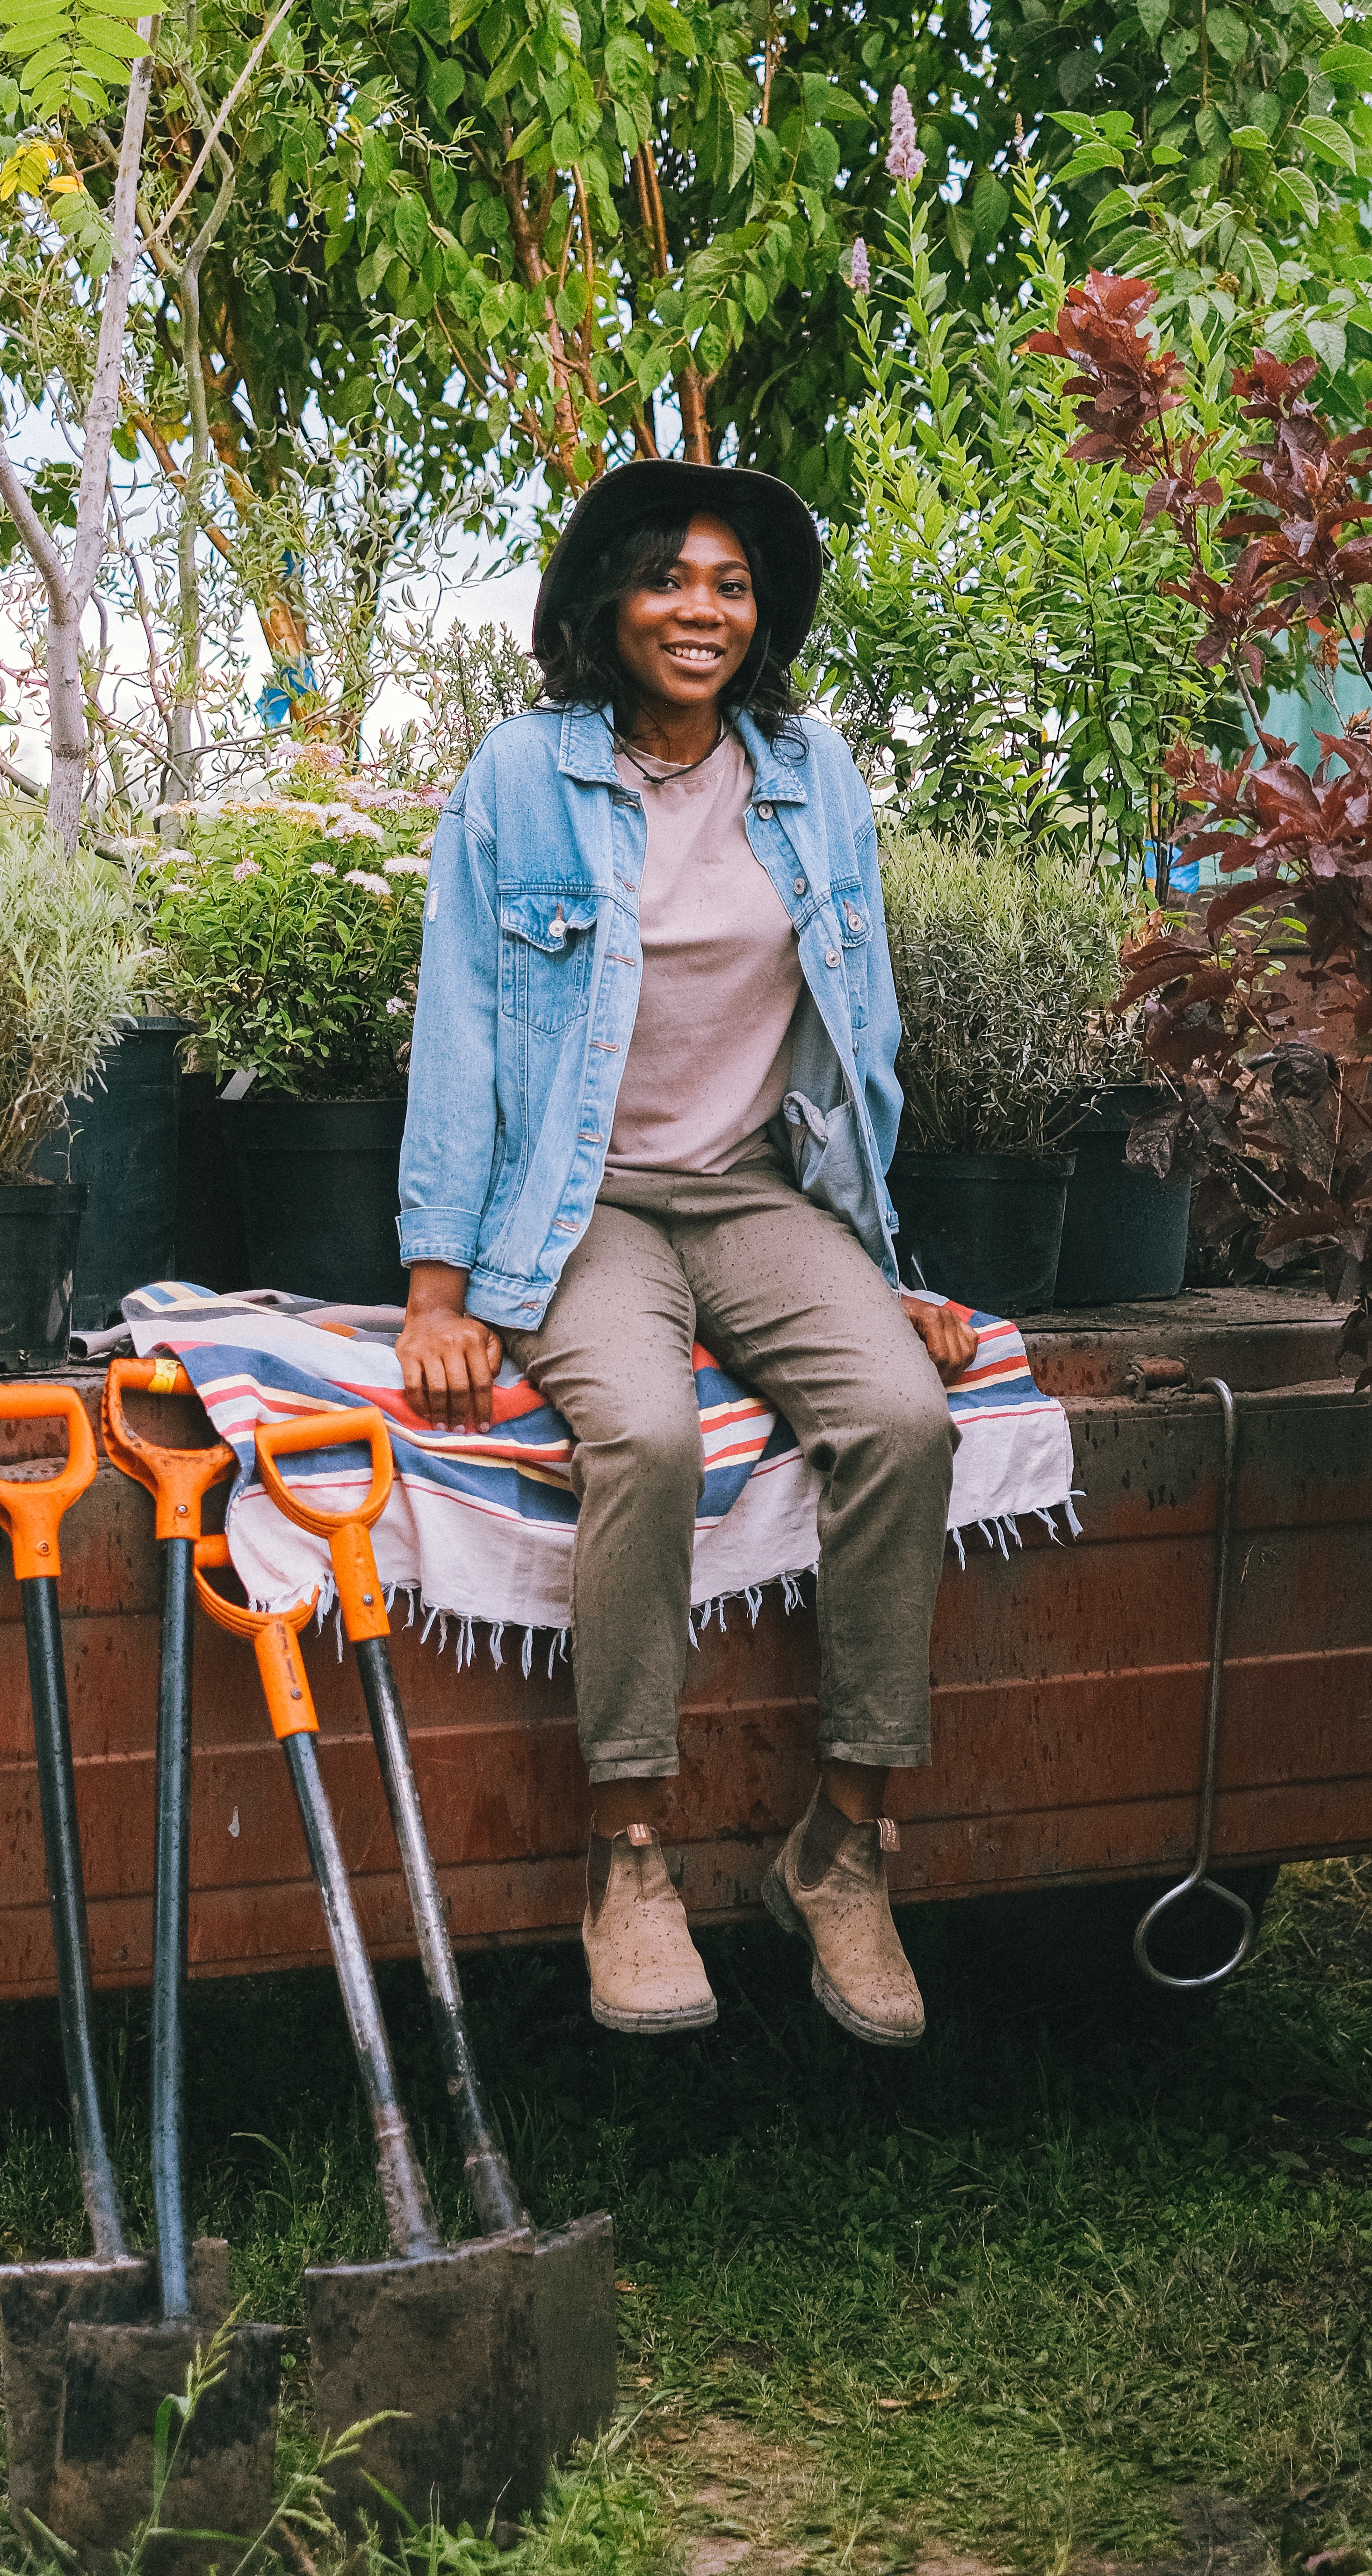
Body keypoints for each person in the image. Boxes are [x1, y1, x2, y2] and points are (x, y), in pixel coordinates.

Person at [395, 461, 974, 2047]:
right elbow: (458, 1020)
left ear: (760, 613)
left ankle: (844, 1844)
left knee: (906, 1422)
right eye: (667, 578)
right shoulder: (522, 774)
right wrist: (439, 1290)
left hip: (752, 1190)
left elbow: (860, 1036)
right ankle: (629, 1851)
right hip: (579, 1209)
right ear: (607, 605)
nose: (701, 609)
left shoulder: (809, 773)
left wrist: (886, 1263)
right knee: (642, 1436)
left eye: (729, 583)